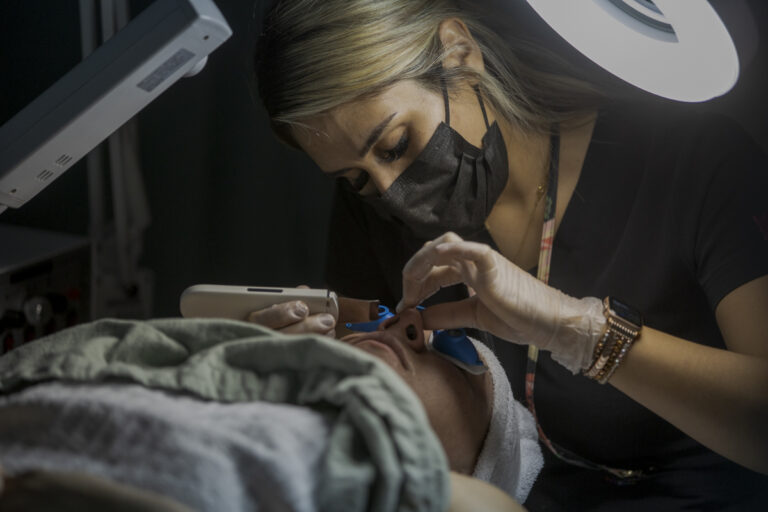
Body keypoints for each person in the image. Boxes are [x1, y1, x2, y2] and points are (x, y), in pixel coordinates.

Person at [251, 0, 768, 509]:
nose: (392, 194)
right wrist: (310, 361)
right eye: (357, 178)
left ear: (459, 53)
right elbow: (369, 377)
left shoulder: (691, 164)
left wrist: (577, 331)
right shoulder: (372, 213)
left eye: (396, 144)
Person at [0, 310, 540, 511]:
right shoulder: (224, 364)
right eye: (388, 315)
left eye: (458, 353)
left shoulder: (431, 491)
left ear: (472, 465)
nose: (407, 326)